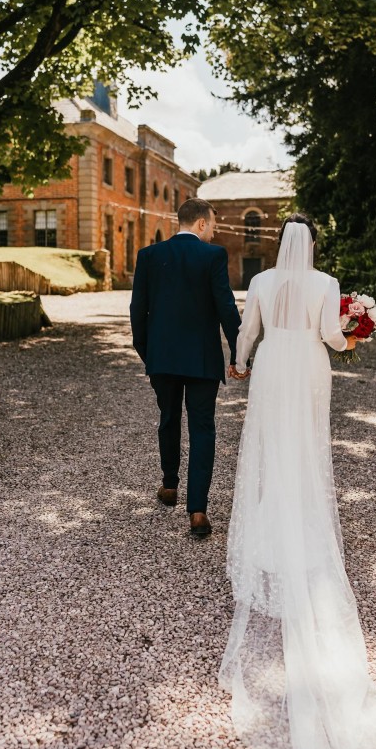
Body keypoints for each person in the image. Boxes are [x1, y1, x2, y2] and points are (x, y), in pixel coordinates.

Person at [220, 213, 376, 749]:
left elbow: (248, 330)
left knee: (269, 446)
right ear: (315, 246)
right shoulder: (327, 282)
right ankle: (300, 514)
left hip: (273, 366)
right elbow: (333, 339)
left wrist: (241, 361)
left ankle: (270, 521)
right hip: (307, 366)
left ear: (280, 243)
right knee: (305, 447)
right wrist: (355, 333)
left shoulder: (258, 282)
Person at [129, 198, 241, 536]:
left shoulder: (148, 256)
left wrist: (148, 354)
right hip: (202, 359)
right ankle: (197, 512)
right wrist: (239, 353)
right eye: (213, 226)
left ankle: (169, 485)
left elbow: (138, 311)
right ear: (202, 224)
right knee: (203, 428)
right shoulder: (213, 255)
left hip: (161, 358)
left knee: (168, 418)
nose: (214, 233)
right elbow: (226, 308)